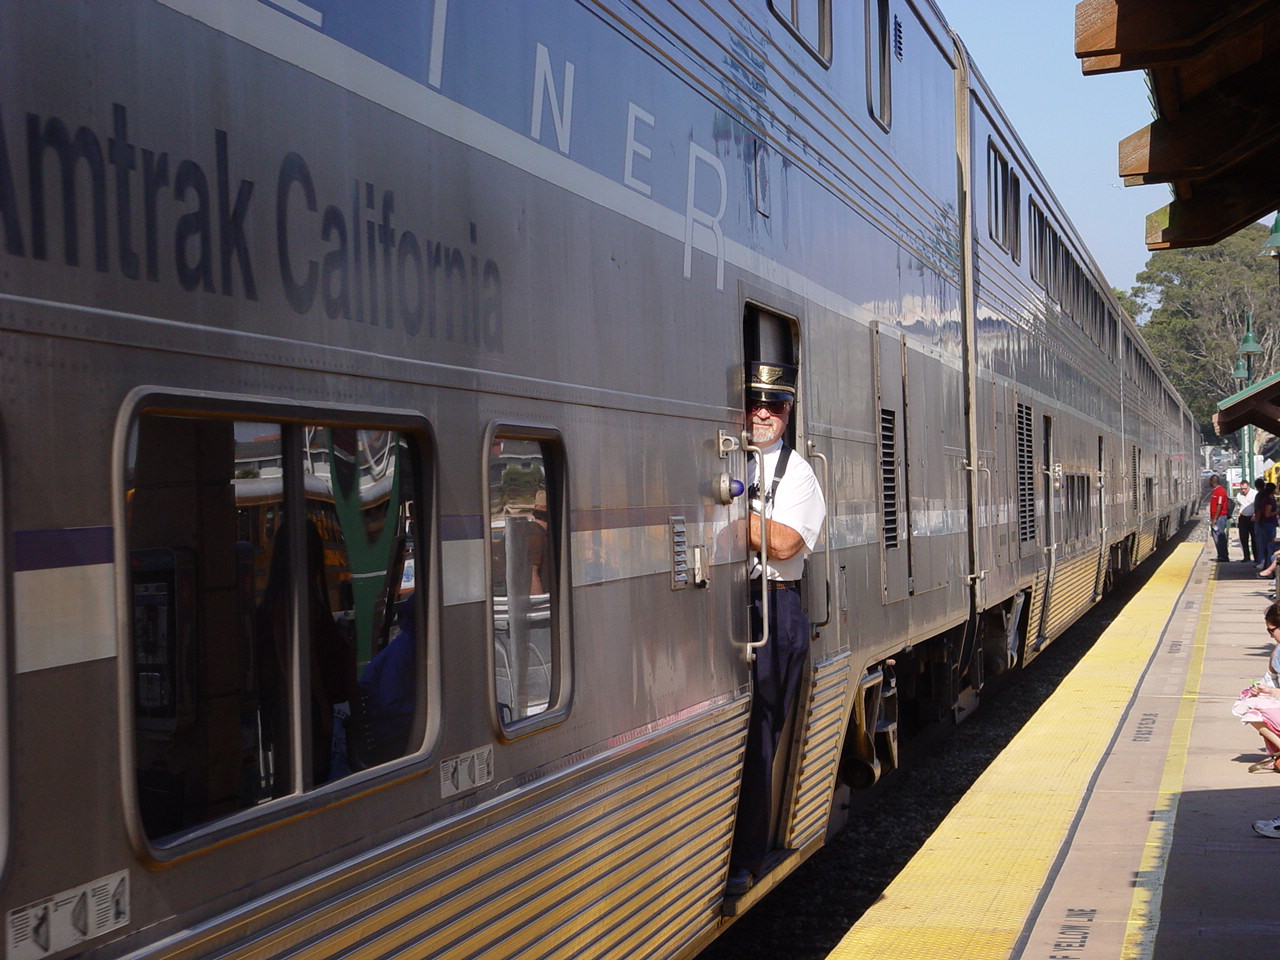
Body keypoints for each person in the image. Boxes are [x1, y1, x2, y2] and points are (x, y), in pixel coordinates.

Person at [726, 361, 826, 897]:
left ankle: (744, 861)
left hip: (775, 607)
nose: (762, 412)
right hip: (728, 601)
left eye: (774, 404)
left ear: (787, 413)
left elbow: (786, 543)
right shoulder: (726, 454)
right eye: (754, 401)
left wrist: (736, 524)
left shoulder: (800, 475)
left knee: (759, 738)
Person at [1208, 475, 1230, 561]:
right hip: (1217, 517)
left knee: (1220, 537)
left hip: (1219, 518)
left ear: (1212, 481)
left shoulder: (1220, 491)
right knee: (1217, 537)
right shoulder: (1216, 491)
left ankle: (1223, 556)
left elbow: (1219, 505)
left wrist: (1215, 519)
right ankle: (1221, 555)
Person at [1257, 481, 1279, 570]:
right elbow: (1267, 514)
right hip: (1269, 524)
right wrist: (1276, 512)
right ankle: (1269, 565)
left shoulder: (1268, 498)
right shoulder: (1269, 500)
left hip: (1268, 524)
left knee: (1268, 545)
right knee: (1270, 545)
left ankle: (1267, 565)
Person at [1237, 480, 1257, 564]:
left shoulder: (1254, 494)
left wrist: (1255, 515)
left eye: (1245, 489)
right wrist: (1239, 511)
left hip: (1252, 518)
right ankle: (1246, 556)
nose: (1243, 491)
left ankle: (1256, 556)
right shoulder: (1239, 495)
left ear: (1248, 486)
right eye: (1242, 489)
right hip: (1243, 518)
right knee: (1243, 538)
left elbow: (1257, 506)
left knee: (1254, 539)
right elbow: (1240, 505)